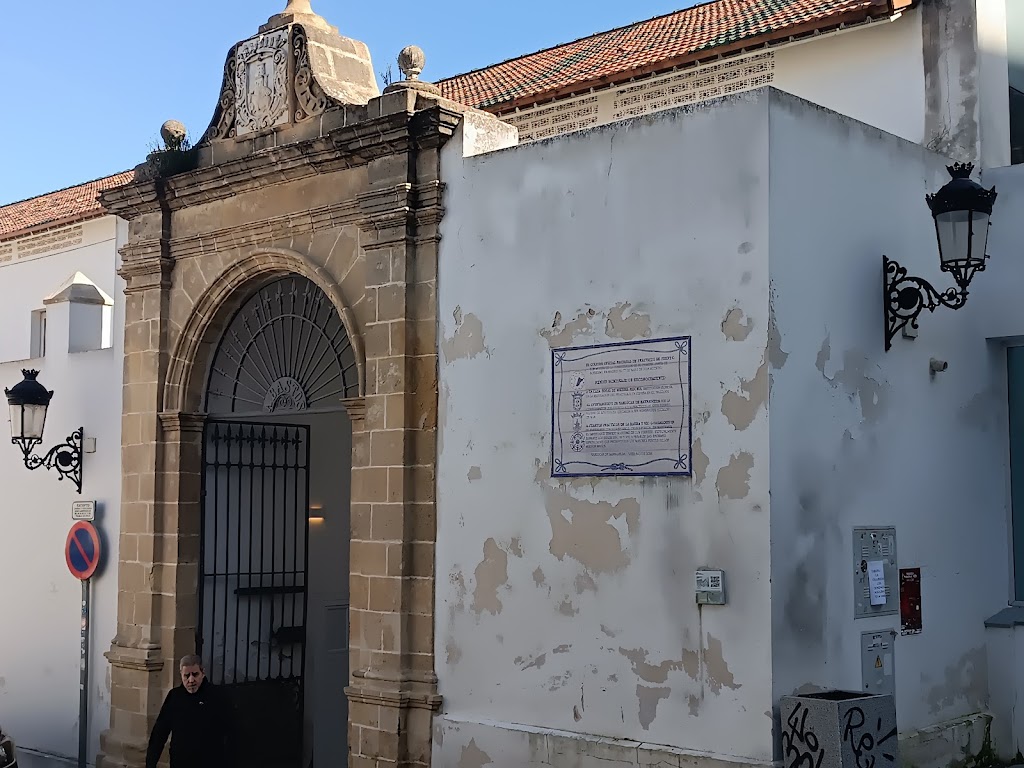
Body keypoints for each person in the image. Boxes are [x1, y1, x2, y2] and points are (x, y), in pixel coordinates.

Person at [146, 655, 233, 768]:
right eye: (186, 676)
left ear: (203, 673)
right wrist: (150, 763)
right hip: (181, 762)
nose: (191, 680)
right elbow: (160, 732)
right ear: (181, 675)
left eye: (195, 674)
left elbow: (231, 731)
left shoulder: (216, 696)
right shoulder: (175, 697)